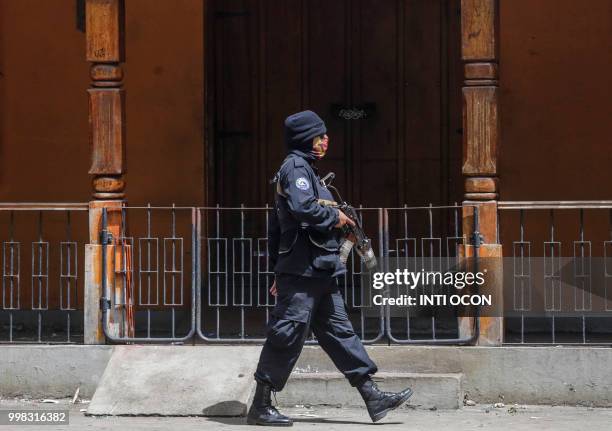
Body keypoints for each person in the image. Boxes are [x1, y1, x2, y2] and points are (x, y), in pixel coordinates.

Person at [247, 110, 413, 426]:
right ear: (304, 137)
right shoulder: (295, 167)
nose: (325, 141)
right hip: (301, 271)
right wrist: (334, 219)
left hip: (320, 271)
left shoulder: (310, 172)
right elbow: (300, 210)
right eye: (319, 136)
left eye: (325, 136)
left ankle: (372, 396)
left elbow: (277, 226)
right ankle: (261, 405)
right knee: (288, 333)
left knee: (340, 333)